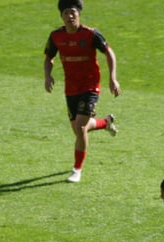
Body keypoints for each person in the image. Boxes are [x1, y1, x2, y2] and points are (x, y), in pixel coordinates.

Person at [44, 0, 121, 183]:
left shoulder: (91, 34)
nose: (70, 16)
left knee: (80, 128)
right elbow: (49, 58)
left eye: (73, 12)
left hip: (90, 86)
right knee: (79, 129)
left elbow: (109, 53)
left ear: (79, 14)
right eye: (66, 13)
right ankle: (106, 122)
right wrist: (47, 75)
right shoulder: (56, 36)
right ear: (61, 16)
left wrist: (112, 78)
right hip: (71, 88)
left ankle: (77, 169)